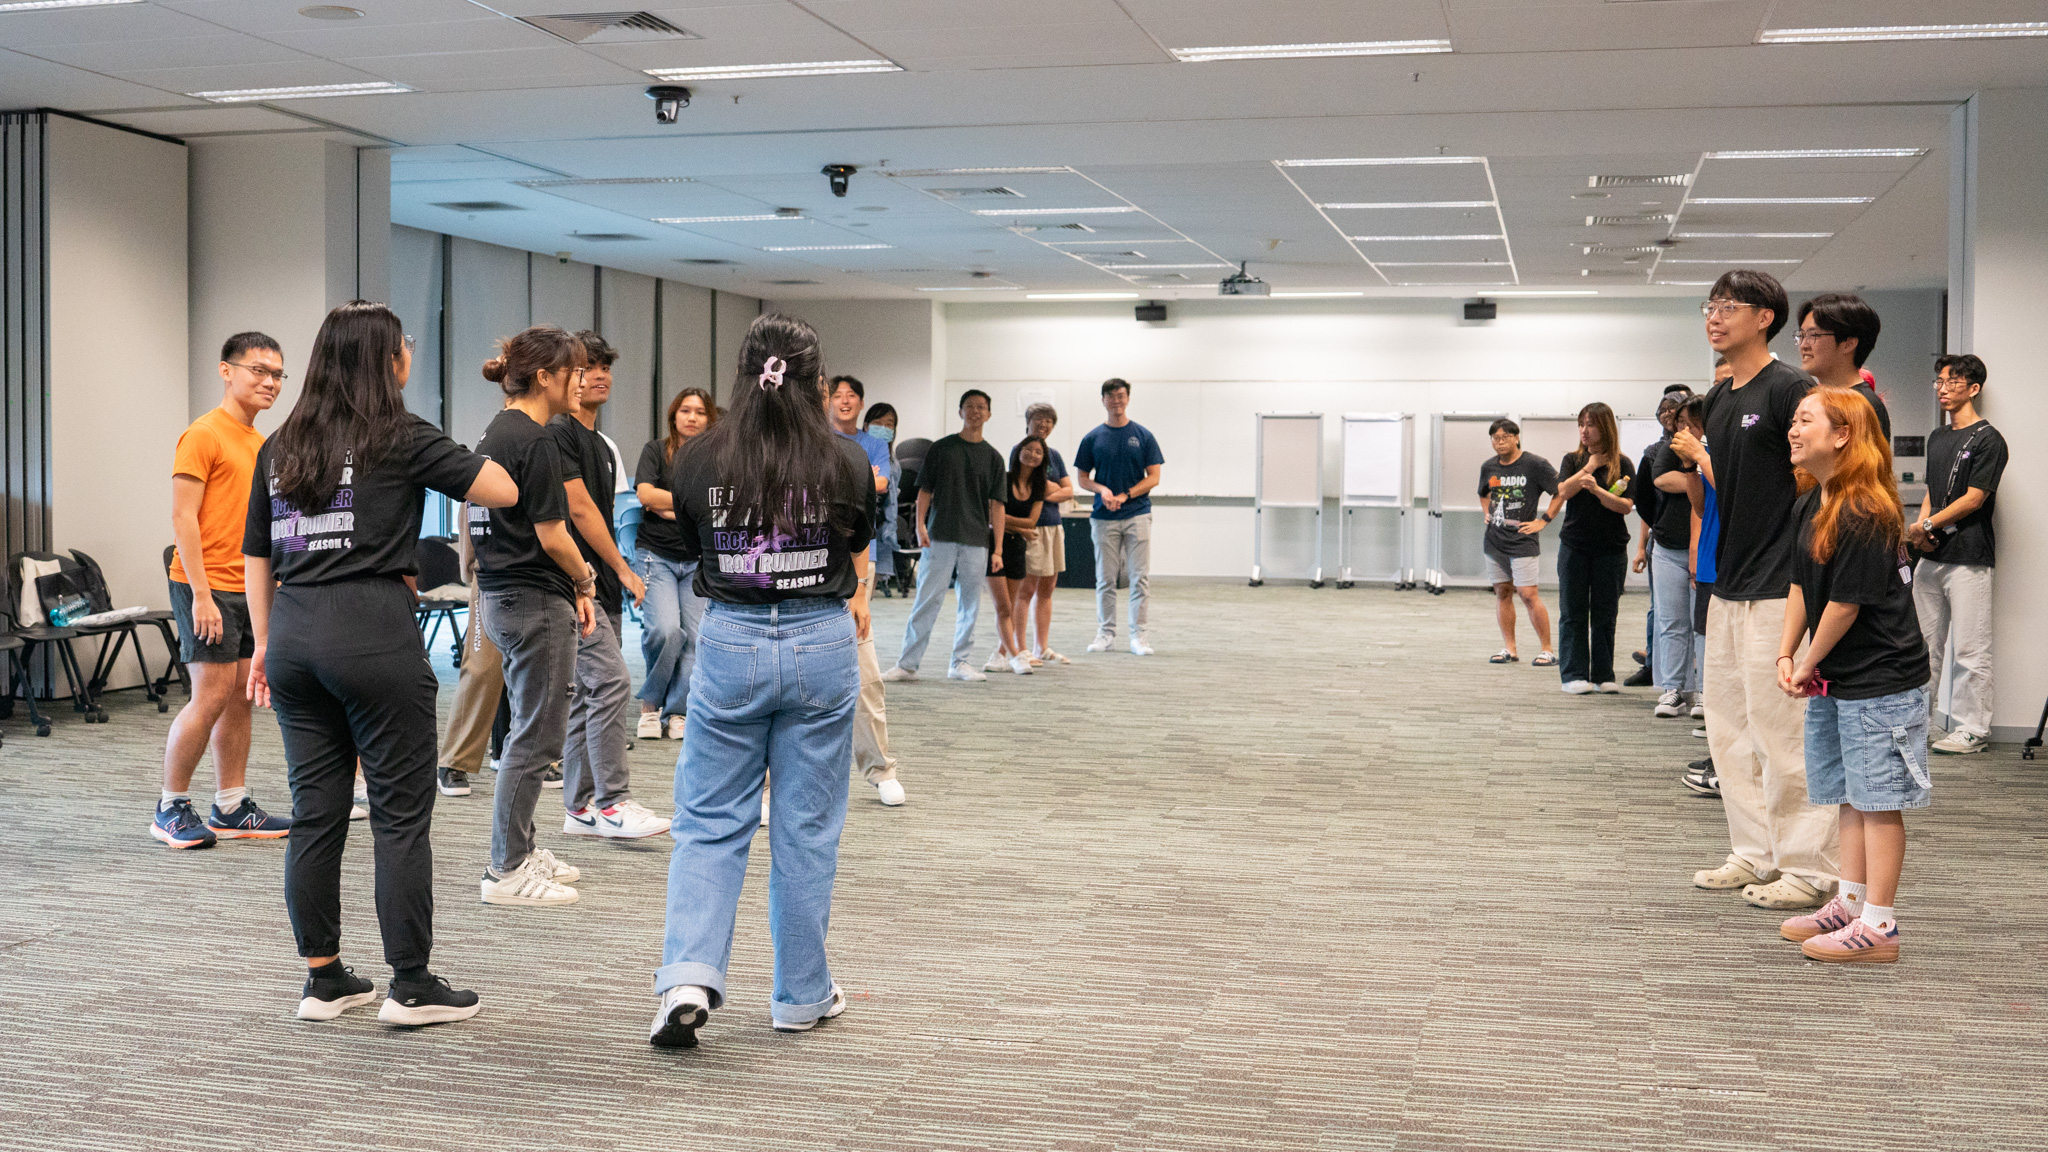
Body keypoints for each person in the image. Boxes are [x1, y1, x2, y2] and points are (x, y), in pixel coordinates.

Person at [242, 300, 515, 1024]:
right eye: (405, 348)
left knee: (316, 813)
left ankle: (324, 977)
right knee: (398, 817)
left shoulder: (282, 442)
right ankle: (412, 984)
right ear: (386, 360)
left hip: (295, 634)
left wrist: (265, 647)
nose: (410, 356)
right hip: (370, 631)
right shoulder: (398, 433)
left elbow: (257, 556)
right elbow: (501, 490)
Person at [650, 313, 874, 1047]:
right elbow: (860, 538)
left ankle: (687, 976)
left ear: (743, 374)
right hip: (821, 641)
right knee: (807, 827)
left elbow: (691, 542)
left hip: (733, 641)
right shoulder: (845, 460)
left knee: (711, 820)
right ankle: (800, 996)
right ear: (816, 381)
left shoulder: (698, 456)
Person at [1684, 269, 1837, 911]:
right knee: (1728, 727)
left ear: (1765, 317)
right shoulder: (1719, 399)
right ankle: (1755, 851)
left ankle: (1809, 866)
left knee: (1784, 730)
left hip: (1780, 583)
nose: (1714, 317)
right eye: (1709, 306)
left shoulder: (1790, 389)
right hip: (1730, 581)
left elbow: (1816, 478)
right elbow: (1732, 483)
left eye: (1728, 307)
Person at [1774, 386, 1929, 963]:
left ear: (1843, 435)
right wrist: (1786, 653)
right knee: (1848, 795)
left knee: (1877, 801)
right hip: (1837, 677)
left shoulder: (1866, 508)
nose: (1793, 429)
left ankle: (1880, 927)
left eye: (1805, 419)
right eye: (1793, 419)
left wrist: (1807, 662)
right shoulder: (1811, 501)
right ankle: (1851, 903)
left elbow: (1845, 604)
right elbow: (1800, 585)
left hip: (1882, 679)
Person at [472, 325, 599, 908]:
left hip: (502, 594)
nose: (582, 380)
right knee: (535, 737)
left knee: (530, 729)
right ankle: (507, 869)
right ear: (546, 376)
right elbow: (552, 534)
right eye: (574, 370)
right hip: (531, 600)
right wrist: (585, 578)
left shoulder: (495, 431)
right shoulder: (538, 441)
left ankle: (519, 847)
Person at [154, 332, 290, 849]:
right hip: (202, 587)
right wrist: (205, 597)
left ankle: (230, 805)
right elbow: (182, 518)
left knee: (239, 696)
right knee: (210, 694)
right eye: (259, 370)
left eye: (277, 374)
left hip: (247, 588)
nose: (269, 382)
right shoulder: (203, 434)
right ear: (226, 370)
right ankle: (170, 806)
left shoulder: (261, 444)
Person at [551, 331, 662, 841]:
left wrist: (614, 571)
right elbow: (577, 509)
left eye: (603, 366)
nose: (597, 375)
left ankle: (578, 807)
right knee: (613, 683)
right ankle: (612, 802)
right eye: (585, 367)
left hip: (597, 586)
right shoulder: (558, 431)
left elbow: (607, 512)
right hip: (572, 583)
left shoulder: (600, 443)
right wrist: (620, 567)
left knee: (589, 694)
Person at [1910, 354, 2005, 756]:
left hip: (1969, 557)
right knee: (1920, 645)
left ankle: (1973, 728)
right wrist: (1921, 528)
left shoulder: (1989, 440)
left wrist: (1928, 526)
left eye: (1952, 381)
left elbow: (1974, 499)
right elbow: (1934, 491)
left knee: (1970, 647)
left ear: (1973, 388)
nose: (1943, 388)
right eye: (1939, 381)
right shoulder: (1938, 436)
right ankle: (1917, 721)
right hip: (1931, 559)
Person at [882, 390, 1006, 683]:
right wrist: (919, 526)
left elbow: (997, 506)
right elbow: (925, 490)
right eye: (969, 407)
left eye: (981, 407)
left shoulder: (994, 458)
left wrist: (998, 548)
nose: (975, 412)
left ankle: (960, 662)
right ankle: (907, 664)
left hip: (976, 540)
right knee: (927, 599)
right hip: (940, 536)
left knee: (970, 604)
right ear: (960, 411)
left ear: (988, 414)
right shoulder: (942, 449)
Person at [826, 379, 906, 806]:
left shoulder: (872, 442)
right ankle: (764, 788)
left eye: (850, 395)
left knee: (865, 671)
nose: (842, 400)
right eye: (835, 394)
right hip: (801, 564)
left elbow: (875, 485)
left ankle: (879, 769)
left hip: (858, 561)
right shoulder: (812, 440)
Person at [1538, 403, 1637, 694]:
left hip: (1611, 548)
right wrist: (1590, 467)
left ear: (1604, 428)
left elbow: (1625, 506)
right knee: (1573, 611)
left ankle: (1603, 674)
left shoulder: (1624, 464)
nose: (1584, 430)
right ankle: (1573, 674)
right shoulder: (1572, 460)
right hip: (1575, 547)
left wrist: (1596, 489)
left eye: (1590, 424)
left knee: (1606, 612)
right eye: (1581, 424)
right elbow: (1562, 491)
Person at [634, 388, 716, 740]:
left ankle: (678, 710)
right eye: (685, 410)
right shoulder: (656, 451)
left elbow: (716, 505)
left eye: (700, 412)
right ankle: (651, 705)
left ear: (710, 419)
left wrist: (668, 507)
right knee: (665, 632)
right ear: (674, 415)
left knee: (695, 638)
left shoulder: (715, 458)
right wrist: (689, 506)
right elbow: (644, 494)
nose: (692, 417)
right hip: (657, 555)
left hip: (697, 559)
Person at [1075, 378, 1164, 656]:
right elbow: (1082, 479)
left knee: (1139, 578)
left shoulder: (1143, 435)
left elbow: (1154, 478)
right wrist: (1103, 490)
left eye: (1121, 395)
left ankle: (1139, 637)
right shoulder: (1092, 438)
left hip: (1137, 515)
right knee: (1105, 578)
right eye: (1111, 396)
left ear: (1128, 399)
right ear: (1103, 400)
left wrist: (1125, 494)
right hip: (1103, 517)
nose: (1116, 401)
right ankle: (1106, 634)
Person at [1478, 418, 1557, 666]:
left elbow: (1560, 490)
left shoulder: (1535, 464)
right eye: (1495, 438)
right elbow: (1483, 493)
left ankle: (1547, 649)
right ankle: (1509, 649)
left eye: (1504, 437)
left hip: (1523, 539)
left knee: (1527, 593)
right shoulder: (1489, 467)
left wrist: (1543, 520)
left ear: (1516, 437)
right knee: (1502, 592)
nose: (1499, 442)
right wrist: (1486, 513)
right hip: (1495, 540)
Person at [433, 519, 501, 797]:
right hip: (490, 575)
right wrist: (469, 569)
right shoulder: (487, 474)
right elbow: (470, 514)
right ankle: (453, 761)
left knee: (536, 670)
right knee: (482, 669)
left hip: (540, 577)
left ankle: (511, 751)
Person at [1646, 393, 1701, 718]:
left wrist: (1701, 476)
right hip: (1667, 546)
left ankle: (1704, 691)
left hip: (1705, 550)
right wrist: (1698, 478)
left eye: (1688, 423)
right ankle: (1673, 689)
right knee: (1671, 622)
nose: (1682, 428)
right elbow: (1660, 479)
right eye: (1678, 422)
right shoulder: (1670, 448)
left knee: (1702, 625)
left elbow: (1721, 483)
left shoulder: (1716, 446)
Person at [1016, 403, 1074, 665]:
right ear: (1028, 421)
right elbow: (1023, 487)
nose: (1044, 424)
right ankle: (1021, 648)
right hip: (1032, 528)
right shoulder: (1021, 451)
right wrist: (1048, 489)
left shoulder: (1055, 455)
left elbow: (1069, 491)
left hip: (1054, 526)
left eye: (1049, 421)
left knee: (1047, 590)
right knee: (1025, 589)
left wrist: (1043, 488)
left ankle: (1043, 647)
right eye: (1039, 419)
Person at [989, 436, 1049, 675]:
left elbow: (1031, 522)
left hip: (1016, 548)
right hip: (995, 546)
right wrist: (1017, 527)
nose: (1033, 454)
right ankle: (1014, 654)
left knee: (1011, 606)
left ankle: (1000, 653)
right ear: (1019, 451)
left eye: (1038, 452)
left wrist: (1003, 520)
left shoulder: (1039, 486)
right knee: (1002, 606)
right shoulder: (1003, 479)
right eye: (1029, 449)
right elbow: (990, 513)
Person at [863, 402, 903, 590]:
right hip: (862, 528)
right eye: (878, 423)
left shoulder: (894, 463)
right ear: (866, 426)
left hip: (882, 531)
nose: (884, 428)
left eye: (889, 424)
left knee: (872, 586)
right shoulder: (857, 453)